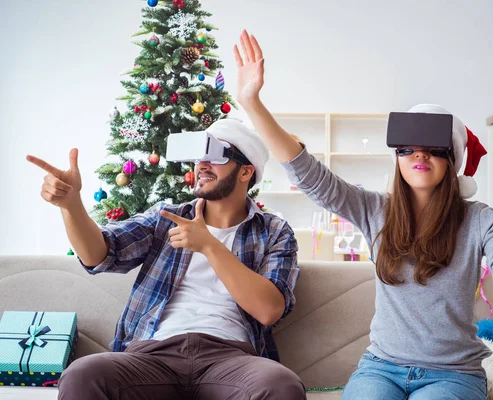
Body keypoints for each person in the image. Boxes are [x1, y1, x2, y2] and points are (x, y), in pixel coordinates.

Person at [233, 30, 493, 400]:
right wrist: (252, 102)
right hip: (380, 368)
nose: (419, 156)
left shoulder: (478, 219)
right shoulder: (374, 210)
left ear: (453, 160)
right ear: (396, 157)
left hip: (453, 375)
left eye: (433, 149)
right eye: (406, 149)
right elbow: (309, 174)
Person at [26, 119, 306, 400]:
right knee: (82, 374)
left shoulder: (273, 231)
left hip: (231, 359)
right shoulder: (166, 218)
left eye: (216, 155)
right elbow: (98, 254)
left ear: (246, 172)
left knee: (282, 385)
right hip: (151, 355)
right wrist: (71, 205)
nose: (202, 165)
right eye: (199, 157)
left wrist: (210, 246)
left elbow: (269, 310)